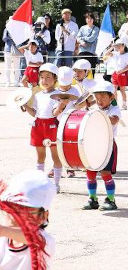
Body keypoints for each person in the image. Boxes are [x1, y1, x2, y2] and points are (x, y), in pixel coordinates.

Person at [0, 169, 56, 270]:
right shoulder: (3, 240)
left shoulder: (46, 242)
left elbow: (35, 240)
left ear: (43, 216)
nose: (15, 216)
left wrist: (3, 230)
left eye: (26, 211)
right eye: (12, 208)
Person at [21, 63, 64, 193]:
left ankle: (56, 184)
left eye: (48, 77)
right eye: (42, 77)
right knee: (40, 157)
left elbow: (55, 113)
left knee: (56, 156)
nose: (44, 80)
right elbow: (35, 113)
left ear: (55, 79)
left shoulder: (58, 94)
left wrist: (61, 105)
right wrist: (24, 105)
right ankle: (40, 183)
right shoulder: (38, 94)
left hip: (52, 125)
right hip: (38, 126)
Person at [82, 81, 120, 211]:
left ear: (111, 97)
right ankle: (92, 198)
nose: (100, 100)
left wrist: (98, 116)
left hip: (107, 145)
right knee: (90, 172)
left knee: (105, 173)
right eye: (97, 98)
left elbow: (114, 120)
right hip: (93, 144)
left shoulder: (114, 109)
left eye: (103, 97)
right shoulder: (94, 110)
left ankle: (111, 200)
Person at [56, 66, 81, 178]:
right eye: (63, 84)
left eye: (67, 85)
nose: (65, 87)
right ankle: (55, 167)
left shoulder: (75, 90)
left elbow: (79, 105)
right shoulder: (55, 91)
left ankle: (70, 168)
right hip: (57, 121)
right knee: (57, 146)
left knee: (69, 145)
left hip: (70, 122)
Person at [104, 39, 128, 109]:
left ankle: (124, 104)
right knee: (114, 89)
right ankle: (115, 104)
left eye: (119, 45)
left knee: (122, 90)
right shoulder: (115, 53)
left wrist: (122, 71)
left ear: (123, 45)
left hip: (123, 74)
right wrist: (112, 47)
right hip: (115, 73)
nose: (118, 47)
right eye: (117, 46)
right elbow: (106, 54)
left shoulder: (127, 55)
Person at [76, 12, 100, 77]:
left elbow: (91, 39)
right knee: (80, 70)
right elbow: (77, 37)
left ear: (93, 20)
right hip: (82, 52)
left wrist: (82, 38)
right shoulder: (82, 28)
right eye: (87, 18)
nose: (89, 20)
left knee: (90, 72)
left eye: (91, 18)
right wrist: (81, 42)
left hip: (91, 52)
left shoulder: (96, 29)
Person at [2, 22, 21, 86]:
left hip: (16, 49)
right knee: (7, 66)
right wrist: (11, 37)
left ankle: (16, 82)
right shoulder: (6, 29)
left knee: (17, 67)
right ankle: (8, 81)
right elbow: (4, 39)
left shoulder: (18, 29)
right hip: (8, 50)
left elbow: (20, 39)